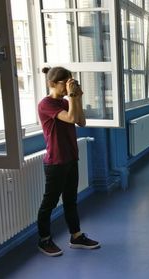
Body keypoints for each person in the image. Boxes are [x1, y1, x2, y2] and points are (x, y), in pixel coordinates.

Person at [37, 66, 100, 257]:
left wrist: (77, 98)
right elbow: (72, 117)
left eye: (70, 82)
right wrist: (73, 97)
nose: (68, 86)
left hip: (71, 157)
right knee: (49, 202)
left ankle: (76, 236)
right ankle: (44, 240)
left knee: (71, 200)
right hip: (55, 161)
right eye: (65, 83)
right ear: (52, 84)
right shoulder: (46, 104)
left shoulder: (65, 102)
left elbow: (81, 121)